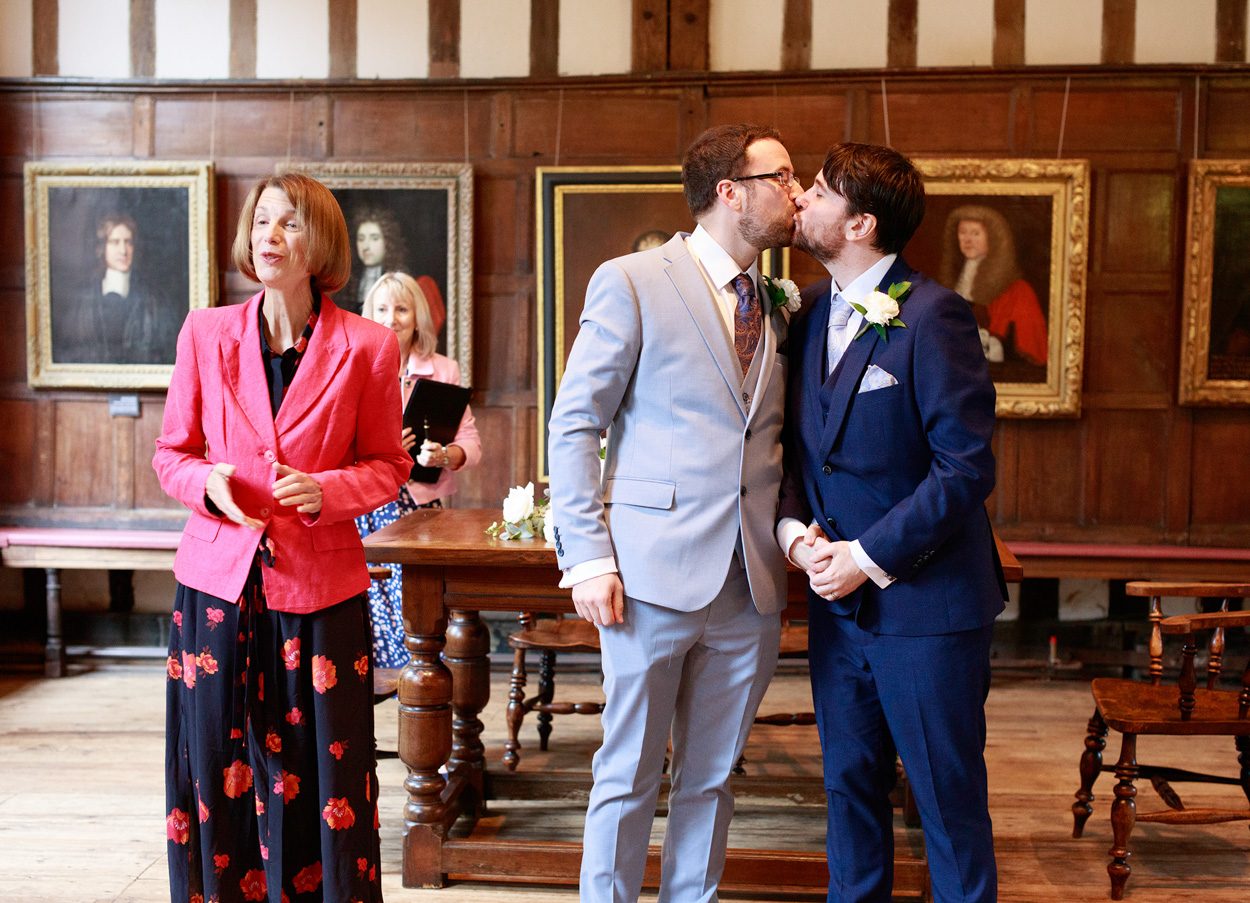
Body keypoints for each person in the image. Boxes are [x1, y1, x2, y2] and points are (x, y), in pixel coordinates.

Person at [547, 123, 800, 903]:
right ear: (731, 191)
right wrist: (587, 554)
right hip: (649, 572)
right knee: (626, 772)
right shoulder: (631, 280)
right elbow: (575, 421)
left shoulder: (778, 301)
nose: (797, 192)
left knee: (713, 775)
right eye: (783, 176)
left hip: (749, 581)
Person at [153, 172, 412, 903]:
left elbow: (390, 466)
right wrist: (208, 484)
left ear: (320, 242)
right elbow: (172, 453)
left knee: (322, 776)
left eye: (288, 223)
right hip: (216, 590)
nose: (269, 235)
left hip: (321, 593)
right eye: (261, 221)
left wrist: (329, 492)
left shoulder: (368, 347)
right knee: (214, 772)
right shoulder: (206, 333)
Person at [777, 143, 1008, 903]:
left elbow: (965, 467)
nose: (800, 199)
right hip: (836, 610)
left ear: (861, 223)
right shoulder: (807, 311)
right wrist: (795, 535)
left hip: (929, 609)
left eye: (816, 190)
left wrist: (867, 556)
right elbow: (798, 460)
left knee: (946, 804)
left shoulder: (936, 314)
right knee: (848, 792)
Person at [354, 271, 481, 669]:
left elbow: (471, 445)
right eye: (382, 308)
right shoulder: (352, 363)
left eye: (401, 308)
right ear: (369, 314)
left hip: (423, 505)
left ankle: (422, 683)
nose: (391, 318)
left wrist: (445, 455)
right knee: (373, 599)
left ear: (417, 317)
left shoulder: (444, 369)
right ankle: (376, 679)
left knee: (421, 602)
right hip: (369, 503)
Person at [57, 212, 178, 365]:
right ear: (102, 247)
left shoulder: (152, 297)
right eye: (115, 242)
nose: (123, 250)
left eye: (128, 242)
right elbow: (69, 349)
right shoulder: (83, 297)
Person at [940, 204, 1048, 369]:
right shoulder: (952, 281)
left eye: (975, 233)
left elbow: (1029, 351)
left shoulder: (1018, 291)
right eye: (962, 232)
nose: (967, 240)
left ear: (993, 237)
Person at [340, 208, 447, 337]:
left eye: (374, 238)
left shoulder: (404, 280)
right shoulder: (350, 280)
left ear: (388, 241)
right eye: (361, 239)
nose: (366, 246)